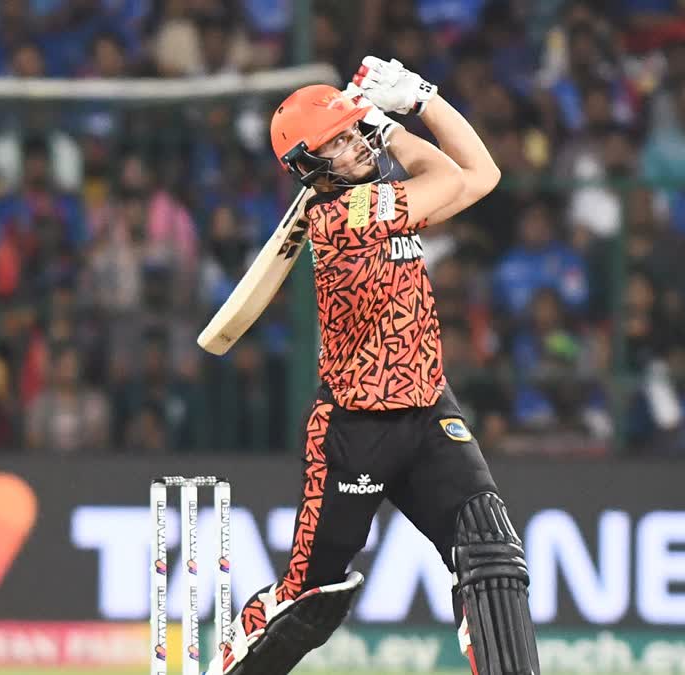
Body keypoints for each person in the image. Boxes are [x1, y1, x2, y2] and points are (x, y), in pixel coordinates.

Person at [205, 57, 539, 675]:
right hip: (356, 430)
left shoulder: (385, 201)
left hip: (430, 410)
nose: (353, 145)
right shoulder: (340, 219)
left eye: (353, 132)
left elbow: (482, 175)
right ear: (307, 167)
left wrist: (405, 109)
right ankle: (239, 646)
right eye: (336, 141)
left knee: (492, 556)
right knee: (310, 598)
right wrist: (406, 116)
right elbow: (454, 174)